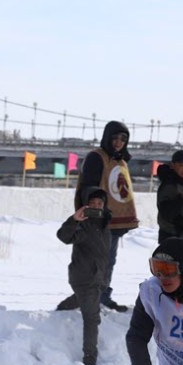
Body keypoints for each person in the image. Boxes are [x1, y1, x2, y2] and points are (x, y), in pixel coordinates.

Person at [58, 121, 137, 312]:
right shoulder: (97, 157)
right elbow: (89, 190)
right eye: (115, 138)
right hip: (98, 222)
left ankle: (102, 296)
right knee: (94, 262)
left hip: (112, 222)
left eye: (123, 139)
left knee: (108, 261)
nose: (119, 142)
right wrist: (94, 216)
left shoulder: (120, 161)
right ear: (107, 137)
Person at [57, 187, 112, 365]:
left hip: (98, 278)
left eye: (99, 203)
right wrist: (74, 220)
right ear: (85, 205)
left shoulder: (105, 223)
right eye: (92, 203)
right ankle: (90, 358)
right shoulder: (83, 224)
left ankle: (60, 311)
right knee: (92, 318)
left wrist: (104, 278)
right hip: (83, 276)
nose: (96, 206)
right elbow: (63, 236)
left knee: (83, 301)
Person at [155, 149, 183, 245]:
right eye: (181, 165)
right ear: (173, 165)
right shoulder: (169, 185)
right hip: (170, 236)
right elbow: (166, 213)